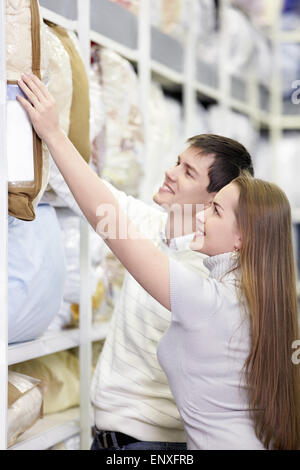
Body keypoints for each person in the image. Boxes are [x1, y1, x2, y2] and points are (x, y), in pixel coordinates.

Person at [17, 74, 300, 450]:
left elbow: (109, 219)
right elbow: (97, 196)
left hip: (150, 446)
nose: (171, 173)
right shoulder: (247, 290)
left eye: (213, 209)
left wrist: (53, 133)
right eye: (177, 163)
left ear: (240, 236)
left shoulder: (208, 292)